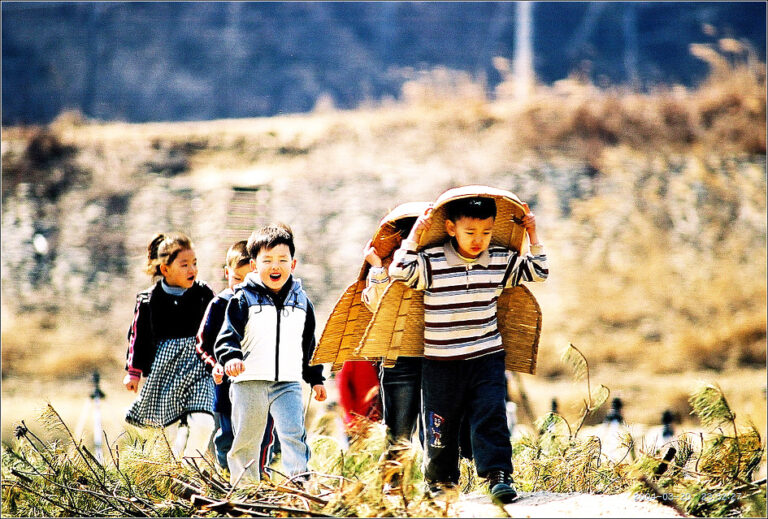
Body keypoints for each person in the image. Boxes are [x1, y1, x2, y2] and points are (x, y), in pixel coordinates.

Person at [389, 196, 548, 504]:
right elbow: (399, 269)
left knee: (490, 415)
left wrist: (533, 234)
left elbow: (538, 272)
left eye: (486, 232)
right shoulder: (432, 261)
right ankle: (440, 481)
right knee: (439, 423)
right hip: (440, 362)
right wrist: (416, 234)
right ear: (451, 228)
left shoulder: (499, 260)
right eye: (471, 232)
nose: (479, 240)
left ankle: (498, 475)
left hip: (486, 357)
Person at [215, 223, 327, 486]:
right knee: (247, 437)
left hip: (287, 382)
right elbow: (227, 335)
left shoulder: (302, 302)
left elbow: (308, 344)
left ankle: (299, 481)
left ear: (293, 263)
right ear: (254, 265)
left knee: (293, 433)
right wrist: (231, 358)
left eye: (282, 260)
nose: (275, 266)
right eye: (267, 260)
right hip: (249, 380)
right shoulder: (242, 299)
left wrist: (316, 378)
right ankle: (246, 487)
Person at [123, 232, 216, 458]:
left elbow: (216, 328)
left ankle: (190, 468)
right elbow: (138, 337)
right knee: (169, 431)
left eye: (194, 263)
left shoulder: (204, 294)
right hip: (166, 370)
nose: (192, 269)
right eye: (184, 265)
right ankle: (171, 471)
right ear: (165, 269)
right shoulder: (149, 301)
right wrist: (133, 373)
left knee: (204, 423)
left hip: (199, 367)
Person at [194, 240, 276, 473]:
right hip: (226, 388)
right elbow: (202, 343)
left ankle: (257, 477)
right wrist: (214, 365)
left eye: (249, 279)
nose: (242, 286)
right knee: (227, 436)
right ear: (226, 273)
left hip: (260, 384)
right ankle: (228, 476)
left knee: (261, 433)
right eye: (236, 279)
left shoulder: (266, 305)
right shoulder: (219, 305)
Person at [336, 359, 381, 433]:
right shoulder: (353, 358)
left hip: (380, 419)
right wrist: (352, 418)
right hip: (358, 421)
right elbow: (343, 387)